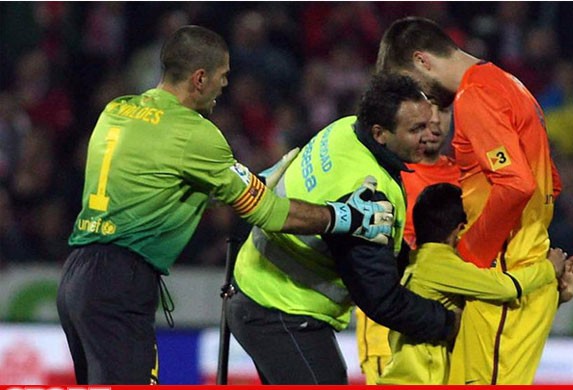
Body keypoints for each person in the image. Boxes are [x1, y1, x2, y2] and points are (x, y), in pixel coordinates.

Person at [55, 25, 394, 385]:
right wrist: (343, 216)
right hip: (120, 282)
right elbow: (270, 214)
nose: (225, 85)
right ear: (200, 79)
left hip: (76, 277)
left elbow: (158, 181)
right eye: (223, 76)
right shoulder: (194, 133)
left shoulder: (118, 110)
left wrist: (246, 183)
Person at [226, 72, 459, 384]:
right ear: (380, 133)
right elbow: (381, 299)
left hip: (255, 291)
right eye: (415, 129)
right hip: (283, 311)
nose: (427, 134)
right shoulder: (366, 192)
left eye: (428, 123)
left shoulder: (345, 129)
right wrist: (447, 322)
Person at [376, 16, 568, 384]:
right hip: (518, 274)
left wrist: (467, 258)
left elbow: (515, 186)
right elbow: (550, 185)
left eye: (414, 87)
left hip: (500, 280)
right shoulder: (512, 86)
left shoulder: (475, 95)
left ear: (422, 60)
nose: (422, 103)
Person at [377, 183, 573, 384]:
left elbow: (488, 319)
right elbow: (504, 288)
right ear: (460, 229)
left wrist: (555, 298)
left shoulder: (420, 261)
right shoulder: (440, 263)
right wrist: (548, 269)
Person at [355, 103, 460, 384]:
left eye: (445, 111)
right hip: (388, 326)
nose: (435, 122)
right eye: (427, 114)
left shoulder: (465, 178)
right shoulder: (384, 171)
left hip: (446, 330)